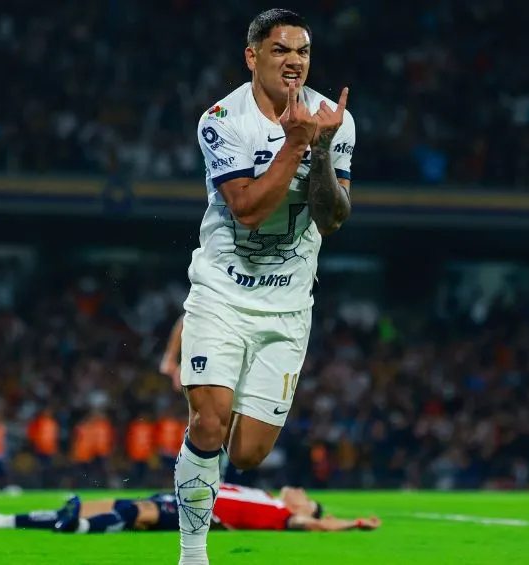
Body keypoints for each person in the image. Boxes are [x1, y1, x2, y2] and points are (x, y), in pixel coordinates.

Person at [176, 8, 355, 563]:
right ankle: (192, 552)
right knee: (209, 422)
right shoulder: (221, 119)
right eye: (281, 50)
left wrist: (320, 148)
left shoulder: (335, 119)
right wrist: (296, 145)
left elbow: (333, 218)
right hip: (222, 294)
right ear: (252, 56)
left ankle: (205, 474)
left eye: (303, 52)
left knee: (248, 454)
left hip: (287, 306)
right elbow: (248, 211)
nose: (294, 61)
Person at [0, 483, 380, 533]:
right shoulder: (265, 494)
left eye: (306, 496)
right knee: (92, 503)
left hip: (205, 515)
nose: (299, 490)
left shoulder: (286, 515)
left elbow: (316, 526)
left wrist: (355, 522)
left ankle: (82, 528)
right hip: (187, 495)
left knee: (139, 512)